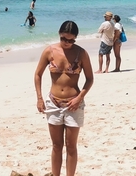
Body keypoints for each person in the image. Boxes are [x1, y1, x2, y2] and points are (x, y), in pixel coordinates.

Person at [34, 21, 94, 176]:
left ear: (75, 39)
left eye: (71, 40)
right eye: (64, 39)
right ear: (59, 35)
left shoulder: (81, 54)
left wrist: (80, 98)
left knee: (71, 146)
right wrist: (39, 98)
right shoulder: (49, 51)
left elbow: (89, 79)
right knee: (56, 145)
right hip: (53, 103)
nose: (67, 43)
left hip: (74, 104)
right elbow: (37, 74)